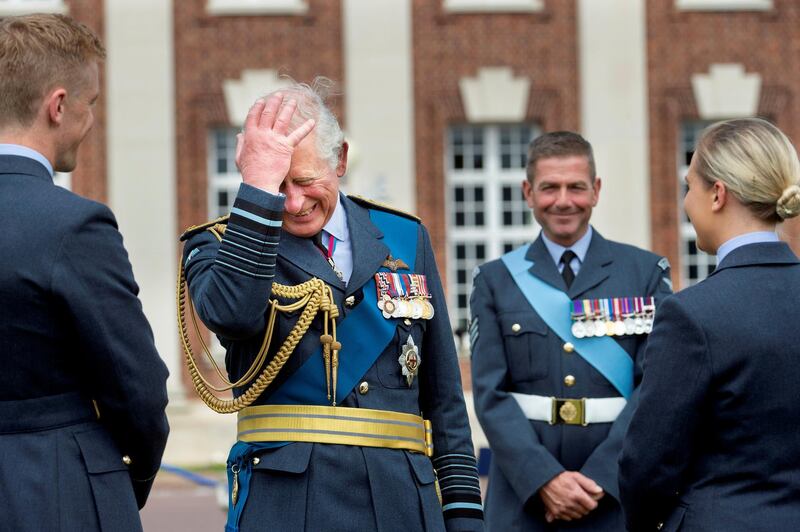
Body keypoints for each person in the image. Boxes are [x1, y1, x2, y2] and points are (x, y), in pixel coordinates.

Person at [181, 79, 483, 532]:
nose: (294, 202)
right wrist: (257, 194)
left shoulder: (404, 236)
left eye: (304, 181)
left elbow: (443, 399)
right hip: (289, 505)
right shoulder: (221, 245)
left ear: (340, 159)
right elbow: (231, 315)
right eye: (277, 186)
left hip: (401, 502)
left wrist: (464, 516)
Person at [0, 13, 170, 532]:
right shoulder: (73, 225)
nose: (91, 118)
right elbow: (135, 384)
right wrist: (117, 479)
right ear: (57, 106)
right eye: (89, 103)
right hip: (54, 486)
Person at [470, 131, 672, 531]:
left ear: (596, 190)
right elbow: (490, 396)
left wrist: (599, 478)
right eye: (549, 188)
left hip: (614, 496)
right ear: (528, 192)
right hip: (523, 498)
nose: (563, 201)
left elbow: (656, 388)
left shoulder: (645, 273)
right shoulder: (494, 280)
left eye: (576, 187)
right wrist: (543, 479)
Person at [619, 118, 800, 532]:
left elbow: (647, 465)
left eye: (689, 186)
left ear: (717, 194)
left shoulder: (692, 314)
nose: (686, 201)